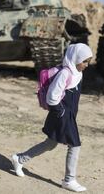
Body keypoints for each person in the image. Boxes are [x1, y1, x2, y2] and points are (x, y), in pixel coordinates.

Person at [11, 43, 93, 192]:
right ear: (75, 58)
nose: (87, 65)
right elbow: (52, 97)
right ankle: (69, 180)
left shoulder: (78, 73)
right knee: (75, 145)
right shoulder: (65, 73)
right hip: (61, 115)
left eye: (88, 61)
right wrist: (60, 112)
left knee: (50, 143)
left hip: (68, 115)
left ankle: (20, 159)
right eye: (84, 61)